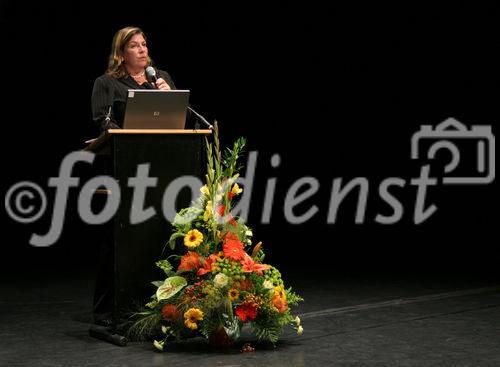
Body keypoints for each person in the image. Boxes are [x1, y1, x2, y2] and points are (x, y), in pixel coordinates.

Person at [91, 26, 180, 133]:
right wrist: (129, 138)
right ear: (121, 54)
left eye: (144, 44)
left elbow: (187, 116)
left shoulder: (162, 76)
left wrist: (172, 97)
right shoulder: (106, 83)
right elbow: (103, 122)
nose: (142, 50)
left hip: (168, 142)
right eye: (133, 46)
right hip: (128, 146)